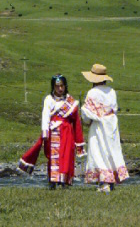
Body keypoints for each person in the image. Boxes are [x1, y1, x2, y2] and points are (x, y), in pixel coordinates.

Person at [17, 74, 85, 187]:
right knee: (53, 157)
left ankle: (65, 181)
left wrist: (79, 141)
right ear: (53, 87)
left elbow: (76, 121)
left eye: (62, 86)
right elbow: (45, 116)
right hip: (53, 132)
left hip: (67, 132)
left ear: (65, 86)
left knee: (66, 156)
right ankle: (53, 181)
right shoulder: (49, 99)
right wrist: (45, 131)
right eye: (57, 86)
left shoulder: (70, 101)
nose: (60, 89)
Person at [81, 63, 128, 192]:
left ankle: (104, 182)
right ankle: (112, 178)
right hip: (111, 124)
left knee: (98, 151)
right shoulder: (112, 92)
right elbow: (115, 109)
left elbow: (86, 113)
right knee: (111, 151)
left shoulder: (92, 93)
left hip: (98, 125)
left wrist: (87, 121)